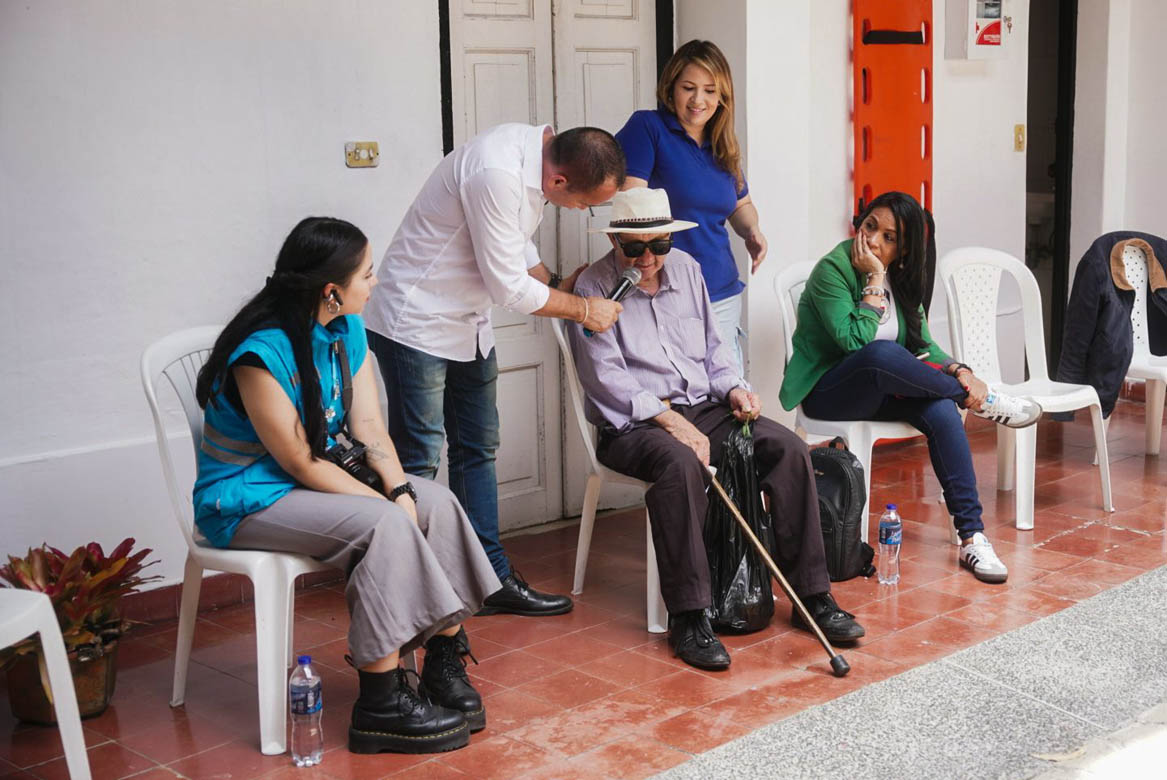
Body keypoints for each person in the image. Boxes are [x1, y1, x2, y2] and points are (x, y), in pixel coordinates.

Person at [192, 217, 501, 755]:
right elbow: (301, 460)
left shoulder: (346, 329)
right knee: (383, 525)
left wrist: (400, 491)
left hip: (310, 479)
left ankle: (442, 661)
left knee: (437, 504)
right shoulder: (258, 355)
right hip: (247, 497)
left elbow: (369, 426)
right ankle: (380, 704)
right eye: (368, 274)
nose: (375, 282)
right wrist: (386, 507)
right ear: (332, 290)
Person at [569, 189, 864, 671]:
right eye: (635, 248)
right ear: (615, 241)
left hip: (703, 407)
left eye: (659, 245)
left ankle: (813, 596)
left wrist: (736, 390)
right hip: (634, 424)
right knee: (680, 463)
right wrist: (669, 421)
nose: (648, 259)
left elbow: (714, 349)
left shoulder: (687, 269)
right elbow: (605, 380)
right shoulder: (594, 288)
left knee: (788, 448)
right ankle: (690, 617)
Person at [363, 124, 626, 618]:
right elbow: (509, 288)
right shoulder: (496, 172)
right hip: (416, 322)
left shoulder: (535, 156)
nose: (580, 212)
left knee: (478, 448)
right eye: (584, 203)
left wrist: (556, 282)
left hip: (467, 323)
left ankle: (488, 579)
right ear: (559, 181)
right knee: (419, 459)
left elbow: (513, 242)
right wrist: (584, 310)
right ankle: (409, 590)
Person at [779, 191, 1045, 584]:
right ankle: (982, 402)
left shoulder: (901, 281)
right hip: (829, 392)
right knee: (880, 353)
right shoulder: (832, 270)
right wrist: (874, 279)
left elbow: (923, 345)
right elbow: (855, 342)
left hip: (879, 391)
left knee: (940, 410)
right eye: (870, 226)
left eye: (888, 237)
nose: (872, 240)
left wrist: (959, 370)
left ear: (903, 250)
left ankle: (972, 536)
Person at [615, 39, 767, 376]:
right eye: (689, 88)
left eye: (710, 91)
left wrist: (752, 231)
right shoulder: (648, 128)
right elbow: (631, 207)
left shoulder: (722, 143)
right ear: (671, 88)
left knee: (729, 392)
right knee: (673, 390)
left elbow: (740, 205)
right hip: (663, 290)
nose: (699, 100)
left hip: (721, 290)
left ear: (722, 96)